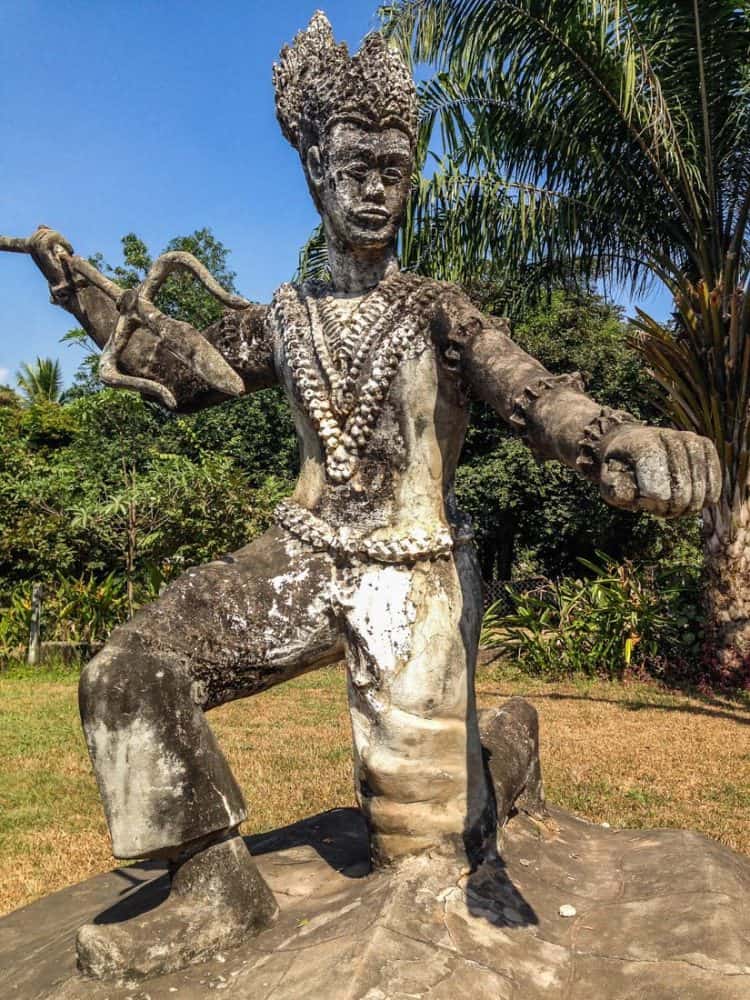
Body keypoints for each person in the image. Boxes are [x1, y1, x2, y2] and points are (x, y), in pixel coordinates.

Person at [20, 13, 720, 981]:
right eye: (355, 165)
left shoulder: (440, 311)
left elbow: (534, 392)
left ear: (412, 174)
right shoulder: (284, 316)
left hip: (413, 574)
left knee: (427, 852)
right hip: (298, 561)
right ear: (315, 169)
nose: (376, 185)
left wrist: (619, 439)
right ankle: (216, 880)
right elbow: (180, 369)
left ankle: (506, 743)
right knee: (128, 670)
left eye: (394, 165)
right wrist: (85, 292)